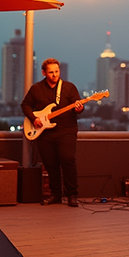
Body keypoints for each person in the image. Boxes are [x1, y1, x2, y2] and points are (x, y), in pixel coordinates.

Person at [22, 58, 83, 207]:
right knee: (50, 164)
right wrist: (33, 118)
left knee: (68, 159)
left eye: (56, 71)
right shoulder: (36, 88)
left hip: (66, 130)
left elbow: (78, 107)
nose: (55, 74)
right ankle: (55, 194)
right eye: (51, 72)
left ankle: (72, 195)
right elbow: (25, 105)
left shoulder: (69, 88)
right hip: (45, 133)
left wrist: (79, 108)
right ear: (44, 72)